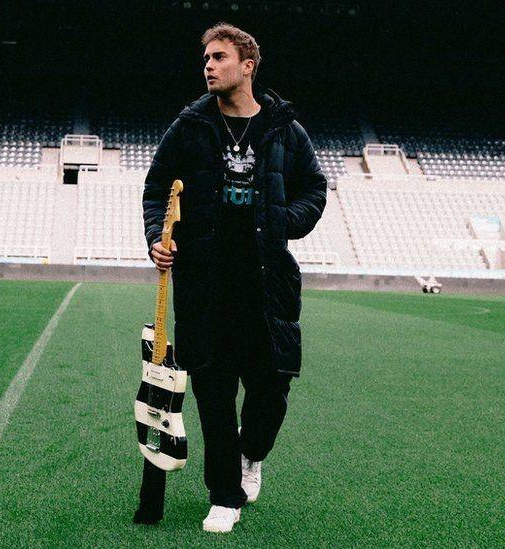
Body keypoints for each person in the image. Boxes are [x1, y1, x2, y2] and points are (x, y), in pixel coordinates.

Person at [141, 22, 327, 533]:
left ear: (248, 66)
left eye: (219, 57)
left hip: (267, 282)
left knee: (272, 387)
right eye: (206, 57)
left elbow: (314, 189)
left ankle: (253, 453)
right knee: (214, 392)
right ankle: (224, 494)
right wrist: (158, 237)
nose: (208, 65)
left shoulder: (285, 129)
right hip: (204, 282)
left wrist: (282, 222)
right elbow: (157, 186)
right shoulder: (189, 126)